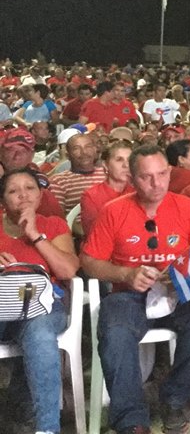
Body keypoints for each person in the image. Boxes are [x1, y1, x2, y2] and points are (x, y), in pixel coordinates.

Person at [81, 145, 190, 434]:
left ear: (169, 173)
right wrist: (125, 273)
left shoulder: (187, 208)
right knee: (115, 333)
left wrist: (184, 270)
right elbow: (90, 261)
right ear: (132, 178)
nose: (156, 184)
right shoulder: (114, 211)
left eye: (161, 174)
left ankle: (175, 398)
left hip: (177, 289)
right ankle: (131, 419)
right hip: (128, 294)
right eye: (146, 177)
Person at [0, 168, 80, 434]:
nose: (22, 195)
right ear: (3, 200)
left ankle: (47, 429)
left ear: (41, 194)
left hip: (42, 307)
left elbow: (68, 271)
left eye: (30, 189)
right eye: (13, 191)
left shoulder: (54, 225)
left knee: (41, 333)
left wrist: (35, 235)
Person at [80, 140, 135, 235]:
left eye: (129, 160)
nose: (126, 165)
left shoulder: (139, 191)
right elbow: (94, 234)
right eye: (119, 159)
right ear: (105, 165)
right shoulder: (91, 196)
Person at [47, 132, 107, 214]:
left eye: (88, 147)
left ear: (95, 150)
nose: (84, 152)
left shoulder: (107, 174)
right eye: (76, 148)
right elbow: (58, 218)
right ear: (68, 155)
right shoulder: (58, 181)